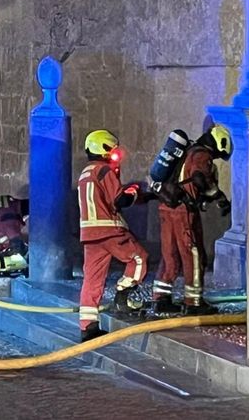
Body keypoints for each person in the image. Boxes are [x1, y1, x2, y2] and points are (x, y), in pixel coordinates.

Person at [77, 129, 148, 342]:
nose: (116, 154)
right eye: (113, 149)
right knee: (138, 258)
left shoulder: (85, 173)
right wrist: (135, 191)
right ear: (104, 148)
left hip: (89, 234)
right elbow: (119, 201)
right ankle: (122, 295)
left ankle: (88, 327)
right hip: (109, 229)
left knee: (92, 279)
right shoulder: (104, 171)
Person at [154, 123, 232, 316]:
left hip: (167, 206)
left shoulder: (187, 151)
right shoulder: (202, 155)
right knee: (194, 255)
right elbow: (200, 178)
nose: (214, 159)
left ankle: (161, 298)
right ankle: (194, 302)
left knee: (169, 255)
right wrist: (218, 197)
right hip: (183, 211)